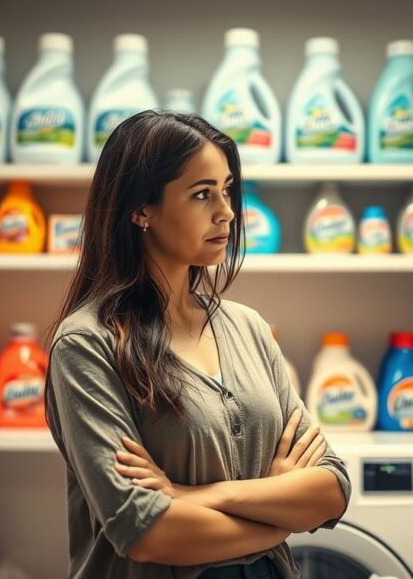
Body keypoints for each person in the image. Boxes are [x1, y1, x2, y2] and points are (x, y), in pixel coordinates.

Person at [45, 110, 351, 579]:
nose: (226, 211)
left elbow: (331, 489)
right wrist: (277, 520)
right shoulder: (87, 345)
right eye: (202, 194)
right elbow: (145, 531)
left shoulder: (248, 328)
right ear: (141, 209)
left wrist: (194, 495)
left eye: (227, 190)